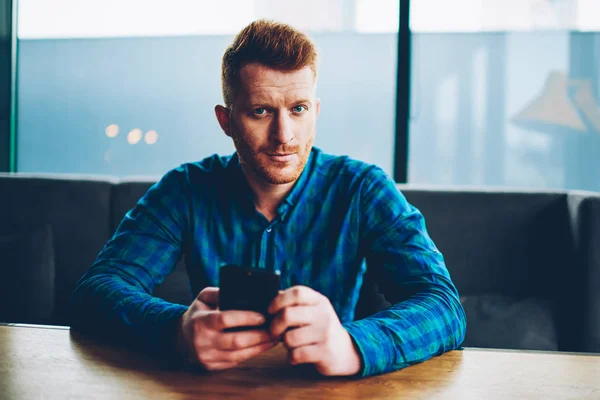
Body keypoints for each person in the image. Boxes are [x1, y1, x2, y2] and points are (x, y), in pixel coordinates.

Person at [69, 19, 466, 378]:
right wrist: (175, 330)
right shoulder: (184, 190)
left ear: (316, 111)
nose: (284, 135)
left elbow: (443, 307)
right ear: (226, 121)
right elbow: (96, 291)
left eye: (298, 109)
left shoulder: (363, 188)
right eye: (260, 111)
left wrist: (351, 345)